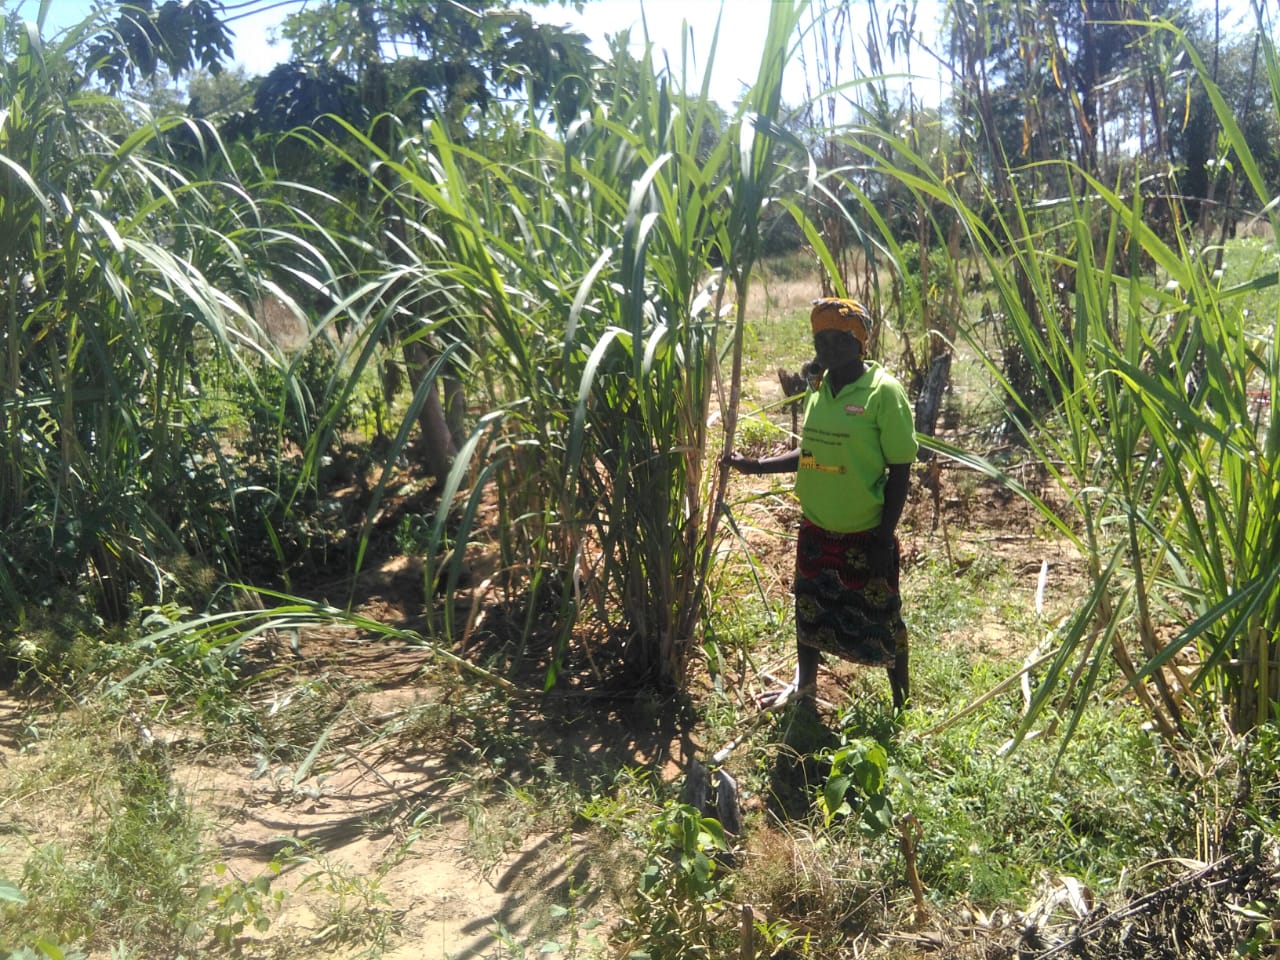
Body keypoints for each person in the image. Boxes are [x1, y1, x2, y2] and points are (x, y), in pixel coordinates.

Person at [725, 298, 917, 711]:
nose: (826, 348)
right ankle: (806, 690)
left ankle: (902, 706)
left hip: (865, 534)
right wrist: (755, 467)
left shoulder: (883, 393)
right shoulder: (819, 391)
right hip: (816, 530)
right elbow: (812, 456)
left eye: (836, 339)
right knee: (809, 616)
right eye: (820, 339)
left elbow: (900, 471)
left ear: (858, 342)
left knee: (883, 620)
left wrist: (883, 539)